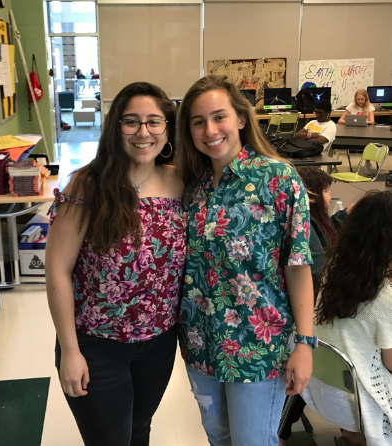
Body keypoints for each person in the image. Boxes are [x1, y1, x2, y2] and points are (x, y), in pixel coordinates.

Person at [176, 74, 315, 446]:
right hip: (199, 343)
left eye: (219, 117)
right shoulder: (193, 189)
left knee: (253, 441)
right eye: (198, 121)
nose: (210, 130)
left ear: (240, 118)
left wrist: (305, 342)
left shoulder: (279, 179)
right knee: (219, 438)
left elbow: (298, 266)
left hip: (257, 346)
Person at [45, 81, 186, 446]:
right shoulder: (88, 186)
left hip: (158, 344)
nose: (143, 132)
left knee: (139, 430)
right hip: (96, 345)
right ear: (115, 128)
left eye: (154, 122)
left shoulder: (179, 182)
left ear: (167, 129)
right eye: (131, 122)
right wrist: (70, 351)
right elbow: (57, 270)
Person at [278, 166, 353, 445]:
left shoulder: (315, 222)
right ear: (311, 195)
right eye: (326, 189)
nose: (330, 194)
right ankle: (281, 431)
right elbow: (321, 271)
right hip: (310, 319)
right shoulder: (306, 228)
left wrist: (344, 217)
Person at [310, 191, 392, 446]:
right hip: (358, 403)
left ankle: (351, 437)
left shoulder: (332, 272)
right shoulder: (384, 298)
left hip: (321, 391)